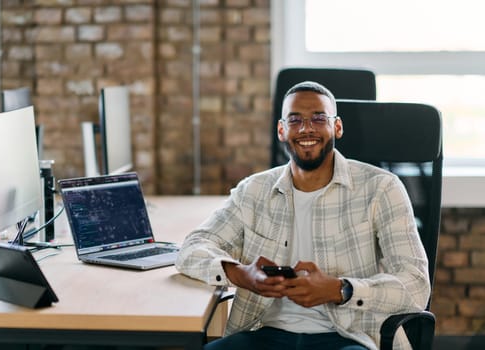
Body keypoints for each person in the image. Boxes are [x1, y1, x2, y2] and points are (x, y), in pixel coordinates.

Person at [175, 81, 430, 350]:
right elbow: (191, 249)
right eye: (295, 120)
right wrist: (242, 275)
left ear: (338, 127)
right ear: (281, 130)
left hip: (349, 336)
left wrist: (340, 289)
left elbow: (416, 284)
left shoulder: (381, 188)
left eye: (319, 118)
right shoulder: (254, 190)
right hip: (265, 332)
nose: (306, 128)